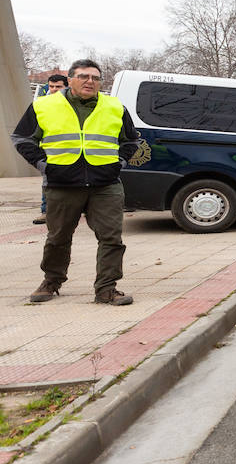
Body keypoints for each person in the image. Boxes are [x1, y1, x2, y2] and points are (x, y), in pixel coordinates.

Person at [12, 60, 140, 305]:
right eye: (83, 76)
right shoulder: (44, 106)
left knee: (111, 238)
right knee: (58, 237)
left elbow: (131, 141)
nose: (89, 81)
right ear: (69, 80)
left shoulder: (114, 106)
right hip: (61, 185)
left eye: (95, 77)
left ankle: (106, 288)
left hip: (105, 185)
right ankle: (52, 280)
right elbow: (22, 138)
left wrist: (118, 164)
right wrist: (44, 165)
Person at [33, 73, 68, 224]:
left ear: (66, 86)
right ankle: (45, 211)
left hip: (71, 150)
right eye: (51, 86)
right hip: (49, 151)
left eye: (58, 86)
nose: (54, 89)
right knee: (48, 183)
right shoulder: (42, 104)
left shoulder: (73, 103)